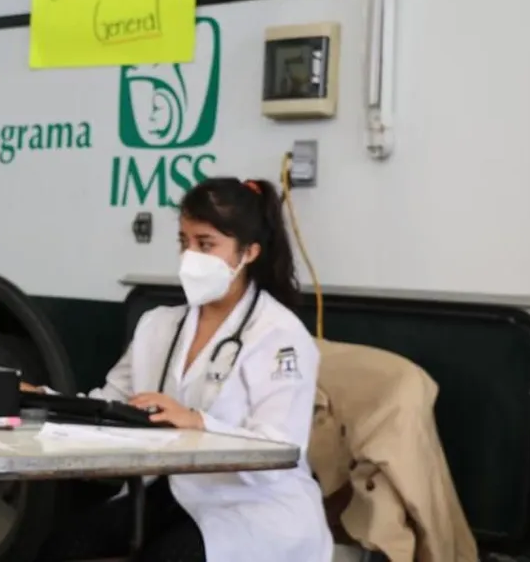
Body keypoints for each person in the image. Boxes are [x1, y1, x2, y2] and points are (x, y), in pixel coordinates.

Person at [31, 177, 333, 562]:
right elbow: (107, 407)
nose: (190, 256)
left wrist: (197, 421)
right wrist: (44, 402)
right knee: (61, 547)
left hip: (253, 504)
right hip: (167, 492)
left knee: (170, 557)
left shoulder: (280, 336)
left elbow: (281, 449)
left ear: (249, 252)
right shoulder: (158, 325)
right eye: (183, 241)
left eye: (205, 244)